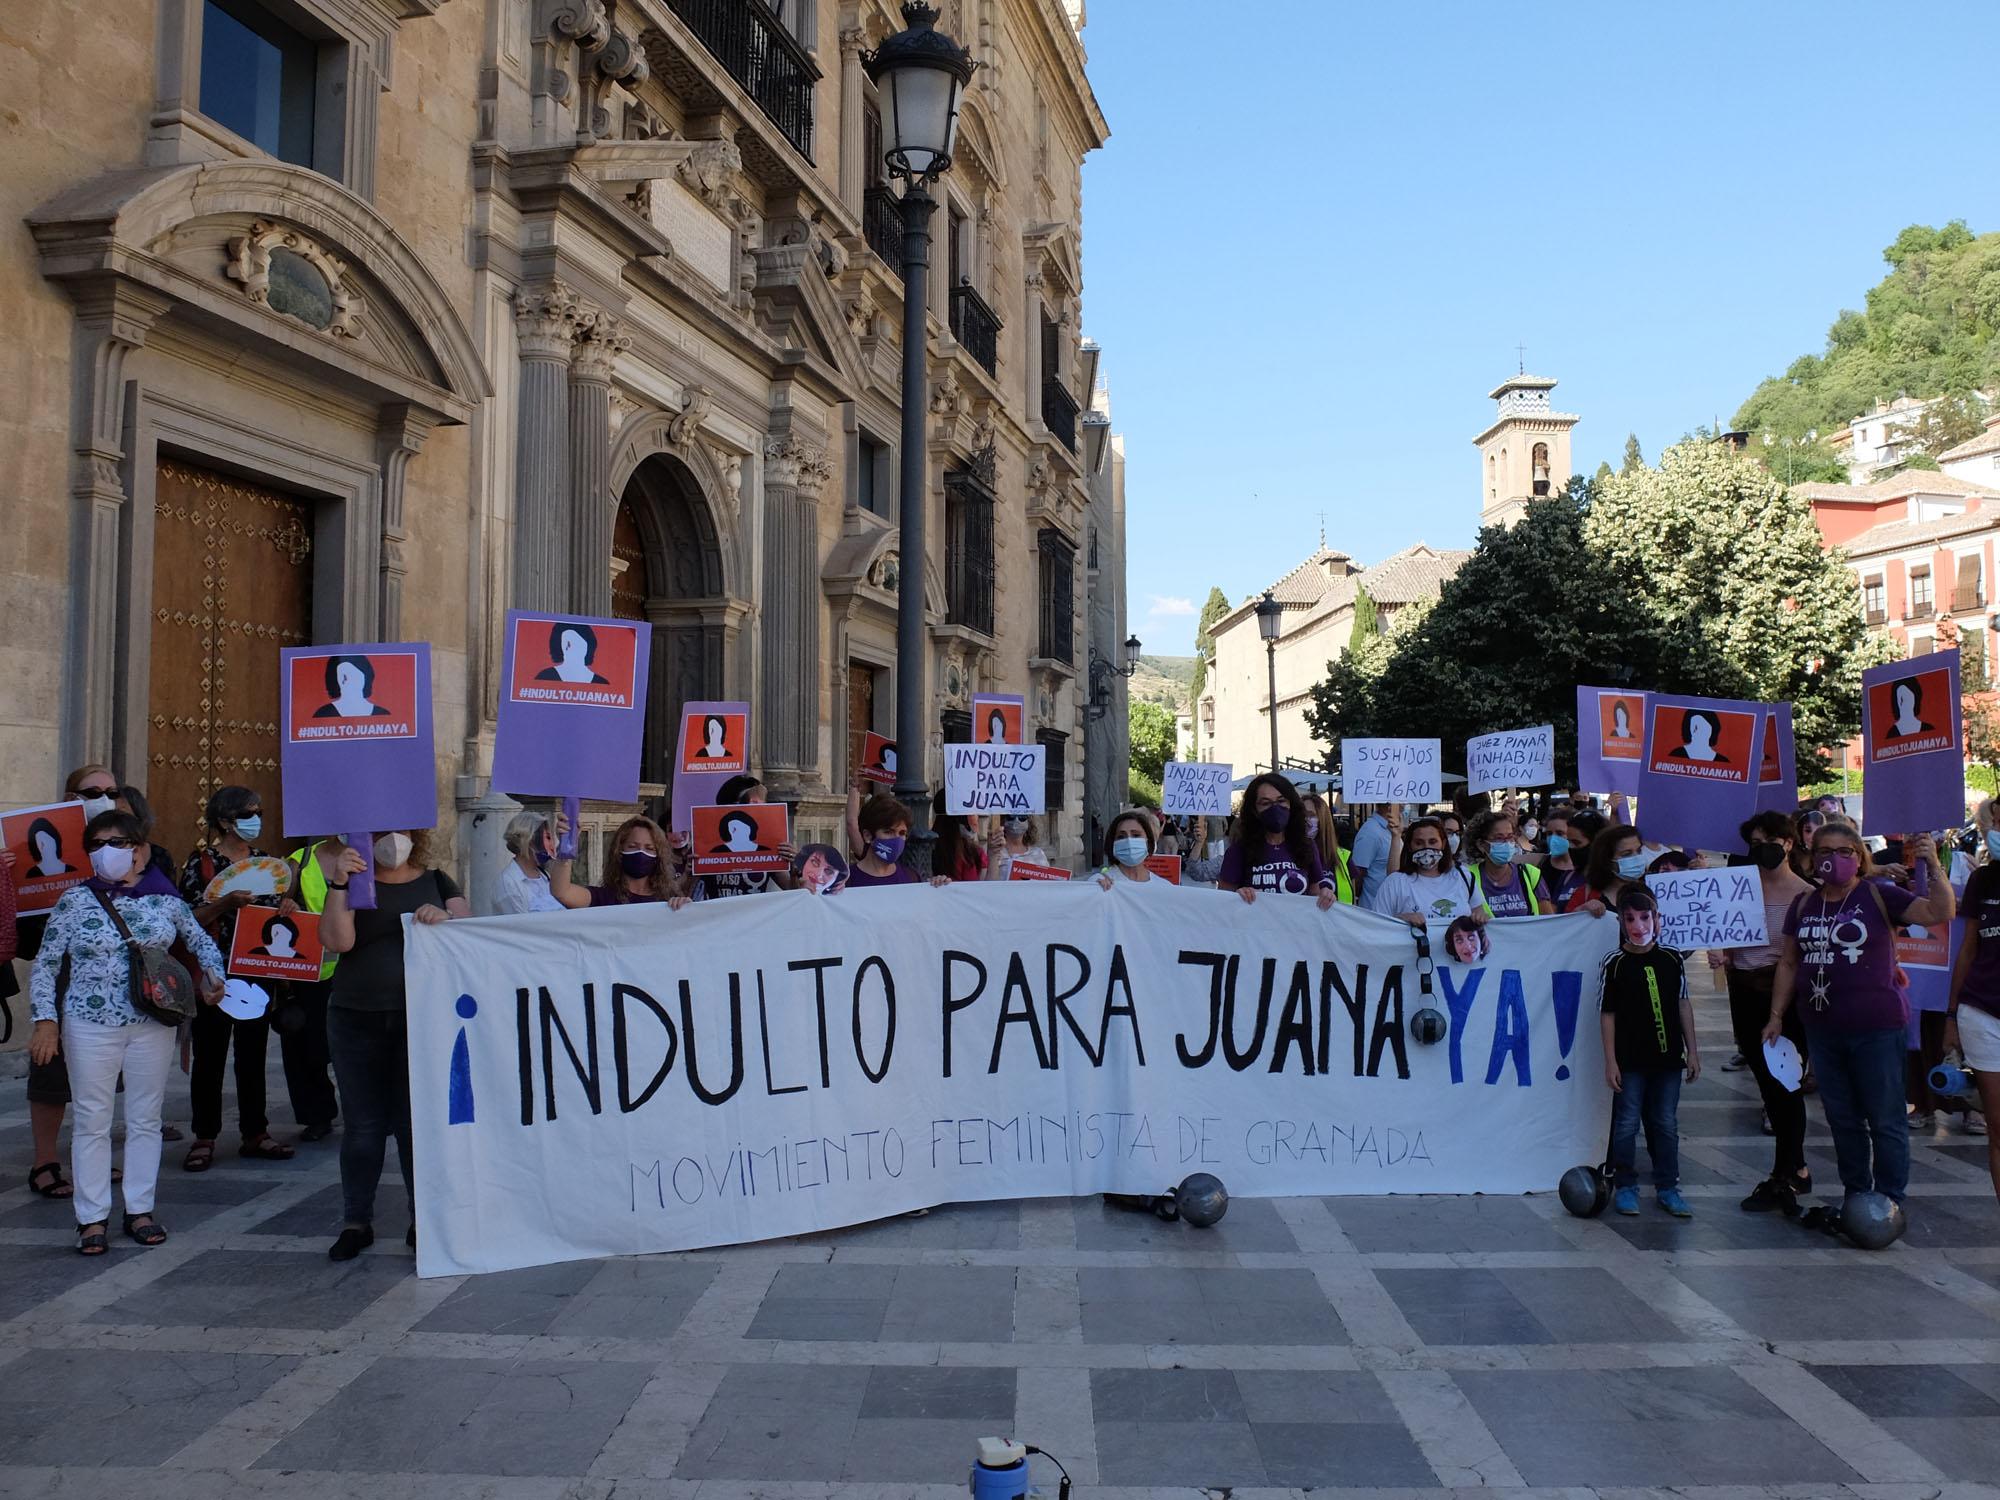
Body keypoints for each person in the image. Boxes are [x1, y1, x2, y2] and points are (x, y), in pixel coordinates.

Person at [28, 810, 225, 1253]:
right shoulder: (74, 901)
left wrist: (215, 976)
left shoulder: (164, 900)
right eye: (96, 845)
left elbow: (199, 940)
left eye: (115, 842)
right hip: (88, 1022)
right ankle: (91, 1217)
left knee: (145, 1119)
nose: (105, 852)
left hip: (151, 1023)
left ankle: (139, 1208)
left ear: (139, 850)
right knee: (92, 1121)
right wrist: (45, 1019)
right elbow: (46, 963)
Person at [1764, 822, 1956, 1211]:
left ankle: (1888, 1200)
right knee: (1842, 1119)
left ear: (1859, 855)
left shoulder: (1879, 894)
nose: (1834, 859)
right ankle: (1856, 1194)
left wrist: (1932, 866)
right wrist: (1776, 1015)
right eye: (1824, 852)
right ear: (1813, 857)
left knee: (1885, 1119)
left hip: (1877, 1029)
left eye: (1844, 852)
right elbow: (1788, 961)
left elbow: (1941, 910)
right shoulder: (1804, 903)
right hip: (1822, 1030)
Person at [318, 830, 469, 1259]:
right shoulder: (353, 883)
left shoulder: (438, 881)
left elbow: (470, 930)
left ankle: (421, 1219)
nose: (392, 839)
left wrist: (445, 920)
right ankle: (356, 1220)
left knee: (411, 1124)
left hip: (419, 1020)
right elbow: (336, 941)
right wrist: (339, 884)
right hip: (354, 1016)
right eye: (380, 832)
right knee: (362, 1126)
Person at [18, 764, 126, 1200]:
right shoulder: (31, 862)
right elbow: (27, 940)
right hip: (61, 977)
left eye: (110, 790)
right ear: (69, 796)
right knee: (51, 1069)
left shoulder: (122, 848)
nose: (102, 796)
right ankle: (45, 1161)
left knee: (102, 1072)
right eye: (91, 790)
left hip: (112, 979)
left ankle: (91, 1153)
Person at [178, 785, 293, 1171]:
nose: (254, 819)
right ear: (225, 821)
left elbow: (279, 912)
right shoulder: (202, 864)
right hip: (215, 970)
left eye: (257, 811)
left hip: (256, 969)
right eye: (247, 813)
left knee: (252, 1052)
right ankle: (204, 1135)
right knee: (209, 1054)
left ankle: (255, 1132)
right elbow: (188, 918)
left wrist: (288, 906)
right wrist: (225, 903)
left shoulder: (267, 863)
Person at [1726, 811, 1818, 1210]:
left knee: (1785, 1084)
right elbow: (1727, 938)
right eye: (1756, 841)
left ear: (1788, 843)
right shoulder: (1737, 889)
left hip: (1785, 1000)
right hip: (1744, 992)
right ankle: (1790, 1167)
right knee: (1766, 1084)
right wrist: (1721, 952)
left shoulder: (1807, 894)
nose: (1764, 848)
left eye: (1771, 840)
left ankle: (1790, 1169)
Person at [1599, 888, 1699, 1217]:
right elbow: (1607, 1014)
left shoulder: (1671, 959)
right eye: (1630, 919)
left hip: (1668, 1059)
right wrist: (1611, 1060)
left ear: (1657, 920)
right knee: (1626, 1123)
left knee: (1665, 1124)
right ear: (1621, 923)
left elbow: (1683, 1004)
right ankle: (1626, 1185)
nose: (1638, 925)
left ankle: (1668, 1186)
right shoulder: (1614, 964)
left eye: (1645, 917)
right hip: (1630, 1061)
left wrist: (1692, 1051)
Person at [1947, 806, 2000, 1201]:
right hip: (1982, 1012)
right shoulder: (1984, 880)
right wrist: (1951, 1014)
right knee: (1997, 1127)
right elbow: (1967, 950)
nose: (1994, 830)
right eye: (1993, 822)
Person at [279, 838, 347, 1142]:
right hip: (308, 972)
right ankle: (316, 1116)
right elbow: (275, 906)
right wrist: (286, 906)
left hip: (351, 970)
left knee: (353, 1046)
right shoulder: (300, 860)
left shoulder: (370, 857)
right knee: (306, 1049)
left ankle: (369, 1110)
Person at [1219, 774, 1338, 910]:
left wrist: (1326, 895)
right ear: (1254, 810)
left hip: (1296, 929)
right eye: (1265, 803)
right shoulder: (1238, 851)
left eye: (1281, 801)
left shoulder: (1307, 846)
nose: (1275, 808)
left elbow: (1316, 896)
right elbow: (1224, 904)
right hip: (1255, 929)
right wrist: (1238, 895)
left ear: (1291, 804)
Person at [549, 815, 690, 908]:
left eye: (649, 848)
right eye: (632, 846)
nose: (641, 853)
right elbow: (562, 892)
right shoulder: (602, 897)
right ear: (619, 851)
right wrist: (566, 849)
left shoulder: (668, 900)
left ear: (659, 856)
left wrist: (686, 908)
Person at [693, 775, 795, 899]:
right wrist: (689, 872)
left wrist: (794, 865)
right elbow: (682, 893)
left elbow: (791, 889)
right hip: (718, 916)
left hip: (755, 916)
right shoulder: (708, 846)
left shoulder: (769, 846)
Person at [1367, 817, 1478, 928]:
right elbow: (1377, 927)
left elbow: (1479, 915)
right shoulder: (1394, 883)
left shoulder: (1463, 876)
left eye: (1432, 842)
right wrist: (1400, 920)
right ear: (1410, 846)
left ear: (1443, 844)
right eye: (1419, 843)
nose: (1427, 848)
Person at [847, 795, 951, 888]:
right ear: (868, 835)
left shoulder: (911, 878)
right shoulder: (845, 881)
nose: (896, 839)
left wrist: (937, 887)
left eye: (902, 833)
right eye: (888, 832)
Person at [1464, 809, 1548, 918]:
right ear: (1481, 845)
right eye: (1499, 838)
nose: (1507, 843)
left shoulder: (1531, 874)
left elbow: (1548, 922)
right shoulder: (1468, 877)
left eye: (1510, 837)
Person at [1565, 822, 1647, 914]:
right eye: (1627, 854)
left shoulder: (1653, 891)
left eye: (1639, 850)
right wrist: (1580, 912)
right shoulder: (1585, 894)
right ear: (1607, 860)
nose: (1636, 857)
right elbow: (1568, 926)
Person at [494, 809, 565, 914]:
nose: (552, 845)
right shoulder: (509, 884)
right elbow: (521, 926)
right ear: (530, 840)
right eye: (548, 838)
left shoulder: (545, 877)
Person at [1299, 791, 1358, 904]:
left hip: (1336, 921)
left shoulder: (1343, 858)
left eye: (1311, 815)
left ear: (1323, 819)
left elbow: (1353, 902)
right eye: (1302, 815)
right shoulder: (1288, 853)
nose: (1305, 820)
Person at [1097, 809, 1169, 889]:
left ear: (1148, 842)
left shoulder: (1164, 887)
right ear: (1112, 843)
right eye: (1121, 837)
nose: (1129, 841)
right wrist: (1096, 889)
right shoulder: (1100, 882)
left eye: (1136, 835)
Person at [1539, 806, 1588, 910]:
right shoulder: (1539, 864)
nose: (1553, 838)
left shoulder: (1585, 868)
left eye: (1560, 833)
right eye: (1549, 834)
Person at [313, 655, 392, 718]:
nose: (345, 681)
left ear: (365, 677)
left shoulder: (382, 714)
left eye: (351, 674)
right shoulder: (323, 714)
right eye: (342, 676)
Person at [535, 622, 608, 684]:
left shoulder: (601, 682)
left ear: (587, 646)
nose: (567, 647)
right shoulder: (545, 676)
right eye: (565, 643)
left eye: (572, 643)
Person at [1348, 803, 1394, 899]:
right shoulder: (1370, 832)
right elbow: (1357, 873)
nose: (1405, 805)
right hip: (1372, 906)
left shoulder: (1389, 829)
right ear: (1390, 805)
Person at [982, 814, 1047, 881]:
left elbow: (1047, 884)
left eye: (1022, 817)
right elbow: (987, 887)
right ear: (1003, 820)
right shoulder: (992, 850)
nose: (1016, 821)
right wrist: (993, 856)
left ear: (1029, 821)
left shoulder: (1038, 853)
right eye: (1011, 817)